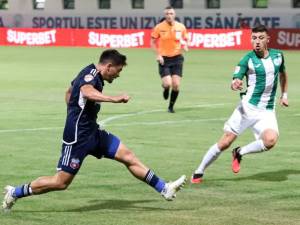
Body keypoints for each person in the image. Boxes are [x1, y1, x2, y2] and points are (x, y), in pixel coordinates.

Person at [2, 49, 186, 212]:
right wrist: (114, 99)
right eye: (119, 70)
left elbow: (69, 91)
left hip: (93, 132)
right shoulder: (90, 76)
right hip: (77, 138)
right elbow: (86, 91)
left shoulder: (92, 73)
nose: (118, 75)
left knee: (128, 156)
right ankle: (15, 192)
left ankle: (164, 188)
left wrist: (74, 110)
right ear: (108, 66)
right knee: (60, 182)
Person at [191, 25, 289, 184]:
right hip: (247, 109)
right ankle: (198, 171)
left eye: (260, 38)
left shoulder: (278, 56)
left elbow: (283, 74)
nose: (257, 41)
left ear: (267, 40)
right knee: (225, 142)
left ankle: (239, 152)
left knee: (270, 140)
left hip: (267, 111)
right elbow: (236, 77)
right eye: (254, 38)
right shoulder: (247, 59)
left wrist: (284, 95)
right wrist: (235, 83)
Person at [151, 6, 189, 113]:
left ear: (174, 15)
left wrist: (185, 45)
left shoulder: (181, 27)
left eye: (171, 13)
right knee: (168, 83)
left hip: (177, 58)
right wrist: (158, 55)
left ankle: (171, 107)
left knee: (176, 84)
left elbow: (185, 38)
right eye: (167, 14)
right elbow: (153, 42)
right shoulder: (159, 27)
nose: (169, 15)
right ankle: (166, 88)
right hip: (164, 59)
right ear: (165, 15)